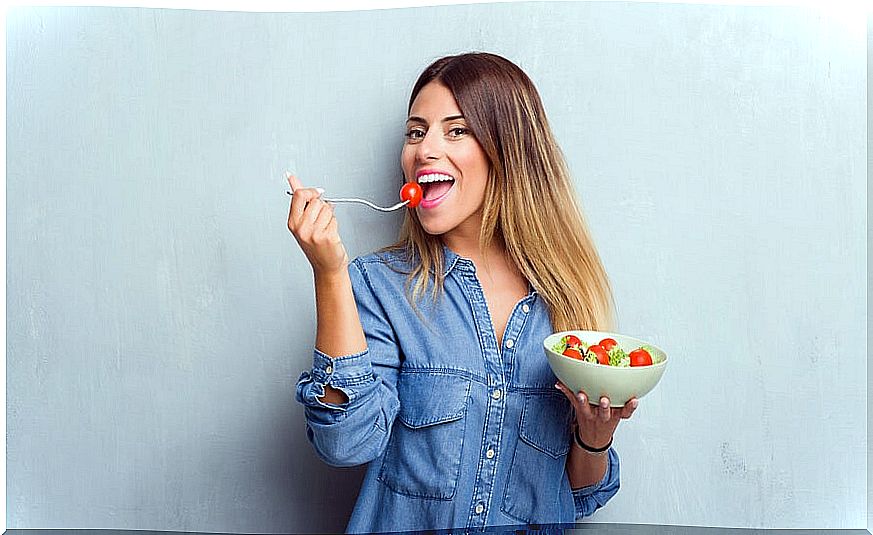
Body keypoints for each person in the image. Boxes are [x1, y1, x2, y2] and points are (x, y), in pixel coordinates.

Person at [289, 52, 638, 534]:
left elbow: (577, 494)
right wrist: (329, 274)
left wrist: (596, 438)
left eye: (456, 130)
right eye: (416, 132)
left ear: (508, 149)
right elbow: (346, 444)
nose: (424, 150)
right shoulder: (379, 285)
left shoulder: (565, 301)